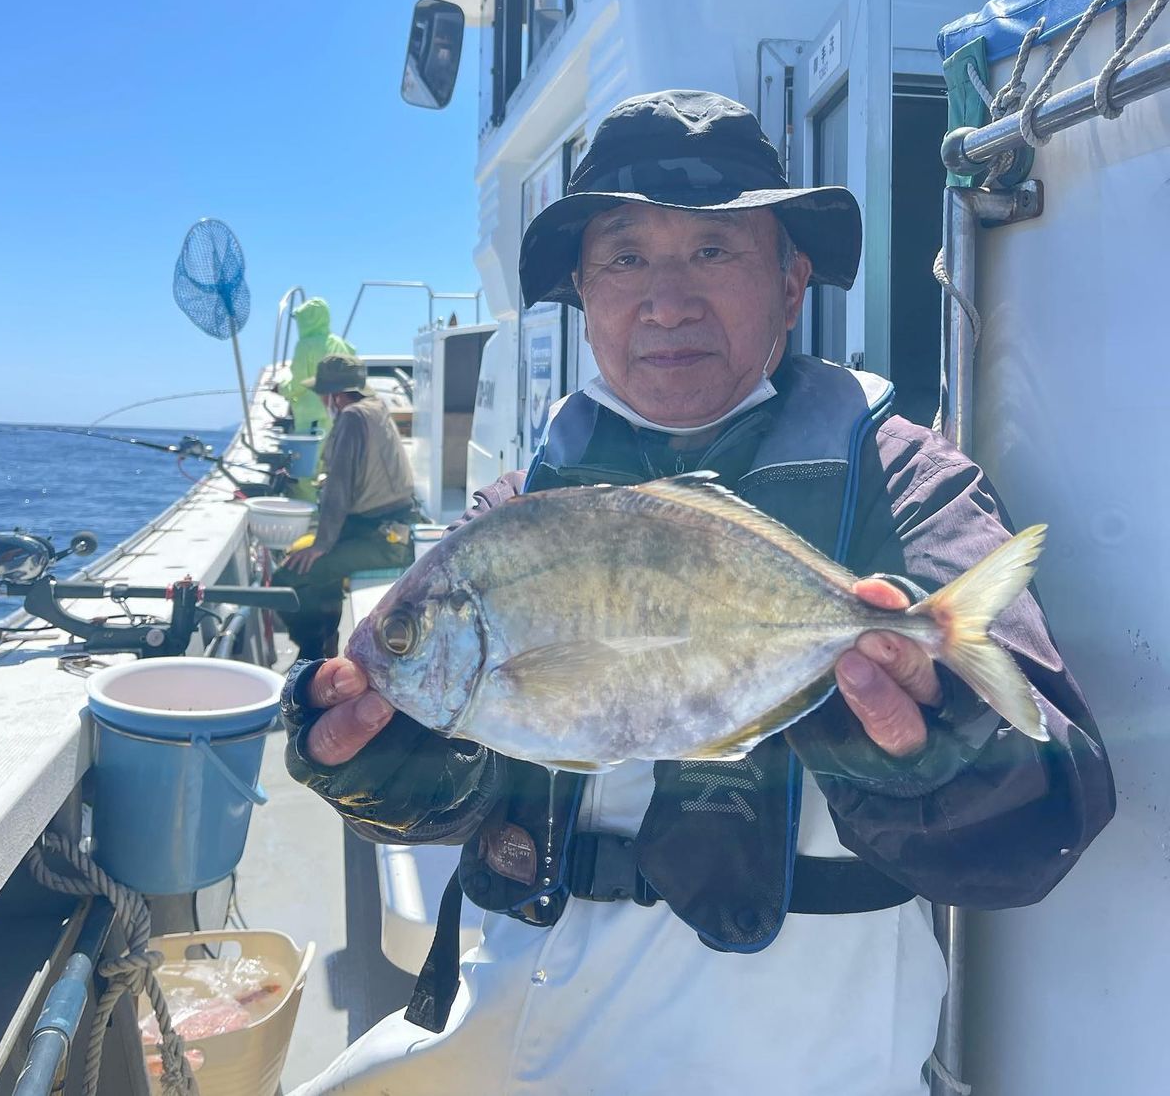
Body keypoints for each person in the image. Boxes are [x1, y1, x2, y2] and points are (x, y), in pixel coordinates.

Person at [280, 92, 1114, 1095]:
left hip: (797, 1064)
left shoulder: (902, 486)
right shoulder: (520, 508)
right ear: (585, 291)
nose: (666, 300)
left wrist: (930, 742)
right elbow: (450, 777)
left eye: (714, 252)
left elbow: (1041, 821)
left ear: (792, 279)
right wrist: (377, 747)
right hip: (513, 1031)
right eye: (626, 257)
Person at [276, 355, 416, 662]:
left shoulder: (351, 417)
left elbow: (339, 488)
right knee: (316, 568)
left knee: (289, 575)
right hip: (387, 527)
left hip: (385, 541)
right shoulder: (375, 408)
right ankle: (325, 647)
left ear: (335, 396)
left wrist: (321, 545)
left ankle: (310, 653)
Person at [279, 297, 357, 437]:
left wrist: (281, 388)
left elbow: (299, 383)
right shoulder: (340, 343)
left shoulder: (305, 346)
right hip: (339, 415)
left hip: (313, 419)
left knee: (313, 457)